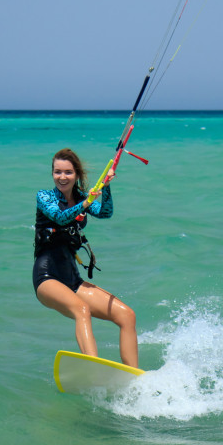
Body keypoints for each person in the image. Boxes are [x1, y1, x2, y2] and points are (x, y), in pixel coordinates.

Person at [32, 148, 138, 367]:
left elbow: (105, 212)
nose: (62, 177)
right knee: (82, 309)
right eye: (57, 172)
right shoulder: (44, 197)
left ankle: (134, 377)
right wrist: (86, 202)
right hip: (47, 276)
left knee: (127, 316)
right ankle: (94, 367)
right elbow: (60, 218)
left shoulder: (81, 197)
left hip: (72, 279)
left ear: (77, 174)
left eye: (68, 172)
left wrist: (106, 188)